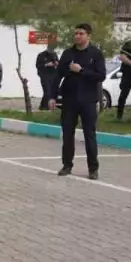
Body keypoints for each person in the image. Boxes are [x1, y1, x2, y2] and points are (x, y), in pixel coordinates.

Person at [49, 24, 107, 180]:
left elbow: (101, 76)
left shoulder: (96, 54)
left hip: (88, 100)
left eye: (81, 34)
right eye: (75, 34)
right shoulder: (68, 53)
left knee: (90, 134)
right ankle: (67, 165)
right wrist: (52, 96)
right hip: (69, 100)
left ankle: (93, 168)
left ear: (88, 36)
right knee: (68, 134)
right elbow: (57, 76)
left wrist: (81, 70)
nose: (77, 36)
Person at [35, 42, 59, 111]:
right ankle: (46, 107)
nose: (52, 51)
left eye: (53, 50)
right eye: (51, 49)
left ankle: (42, 106)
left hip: (53, 75)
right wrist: (46, 65)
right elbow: (37, 66)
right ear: (48, 48)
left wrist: (57, 63)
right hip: (44, 75)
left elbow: (57, 62)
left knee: (51, 91)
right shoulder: (41, 55)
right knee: (47, 91)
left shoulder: (54, 54)